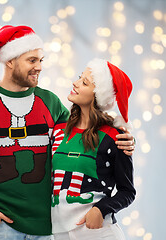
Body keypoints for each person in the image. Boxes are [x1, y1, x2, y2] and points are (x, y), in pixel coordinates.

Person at [0, 25, 135, 240]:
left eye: (41, 60)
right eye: (32, 60)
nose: (39, 67)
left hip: (48, 229)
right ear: (10, 61)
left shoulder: (50, 102)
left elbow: (82, 135)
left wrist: (124, 139)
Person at [50, 58, 136, 240]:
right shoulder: (58, 130)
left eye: (84, 82)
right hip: (58, 233)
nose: (75, 83)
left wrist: (101, 209)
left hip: (98, 232)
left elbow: (127, 192)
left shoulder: (115, 137)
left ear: (98, 95)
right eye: (79, 78)